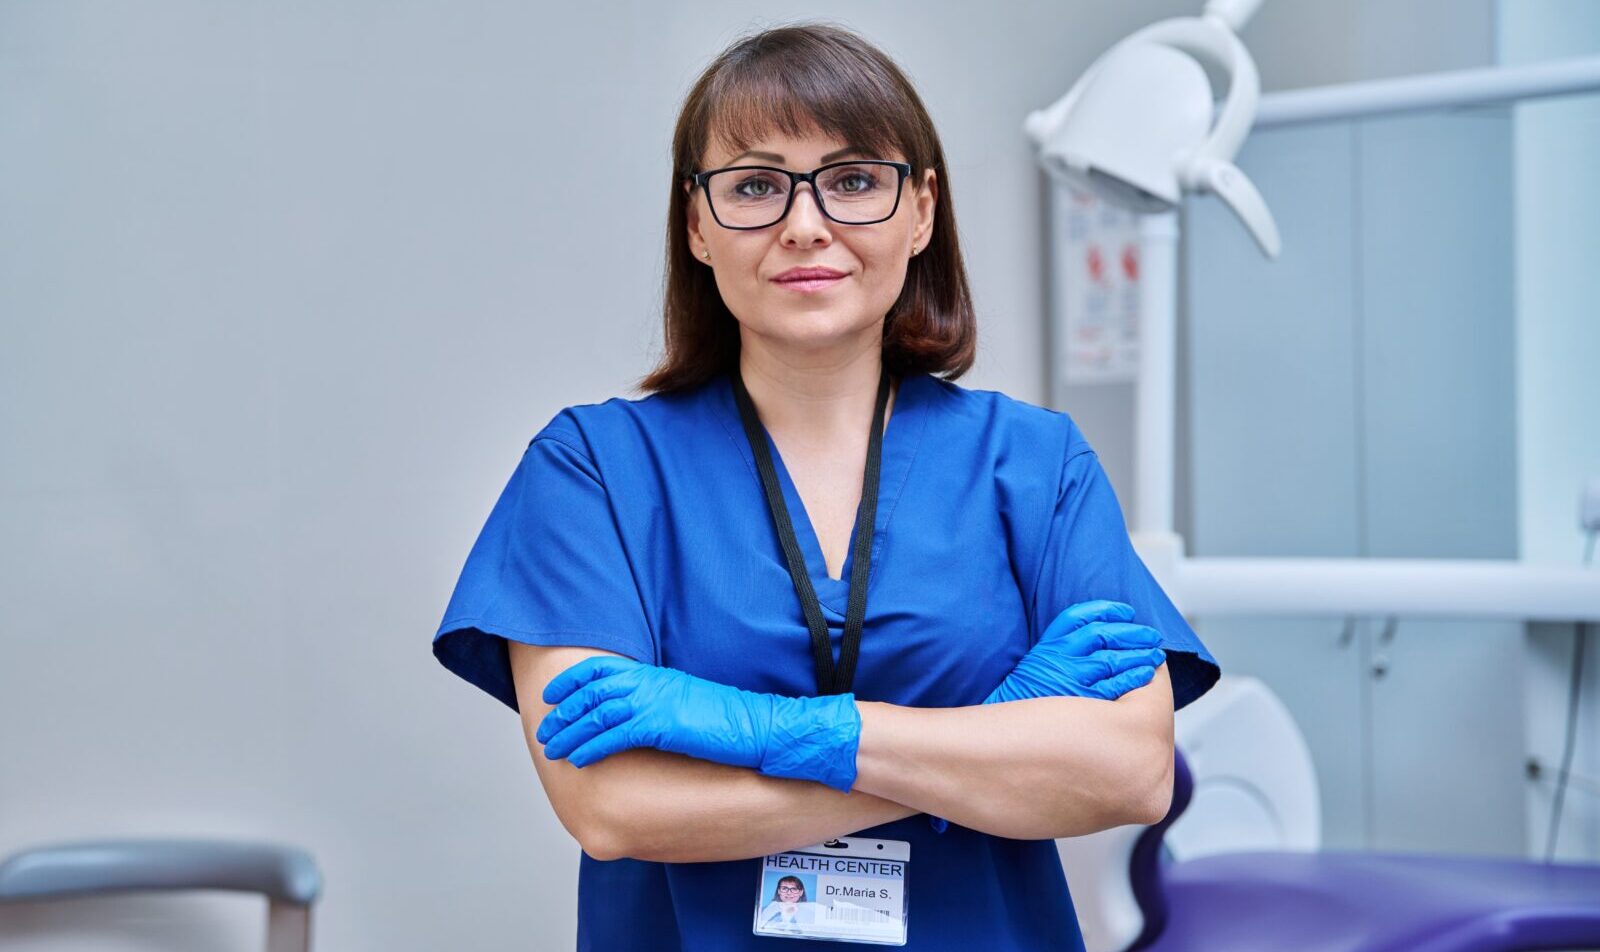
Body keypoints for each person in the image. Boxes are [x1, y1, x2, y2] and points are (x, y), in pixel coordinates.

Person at [431, 21, 1219, 951]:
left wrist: (755, 730)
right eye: (756, 186)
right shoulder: (593, 468)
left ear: (922, 210)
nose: (805, 224)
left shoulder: (1036, 464)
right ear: (697, 225)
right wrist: (987, 740)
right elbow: (615, 805)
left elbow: (1127, 770)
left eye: (853, 181)